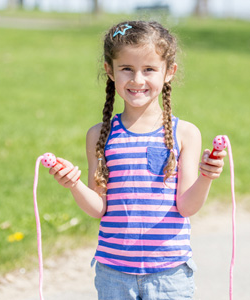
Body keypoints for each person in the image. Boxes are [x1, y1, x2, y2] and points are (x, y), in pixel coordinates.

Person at [48, 20, 226, 300]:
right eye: (127, 69)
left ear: (169, 72)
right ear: (110, 70)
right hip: (114, 274)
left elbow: (187, 206)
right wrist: (74, 184)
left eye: (149, 69)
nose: (137, 80)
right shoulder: (99, 135)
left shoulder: (186, 134)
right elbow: (98, 208)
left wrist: (206, 176)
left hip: (170, 274)